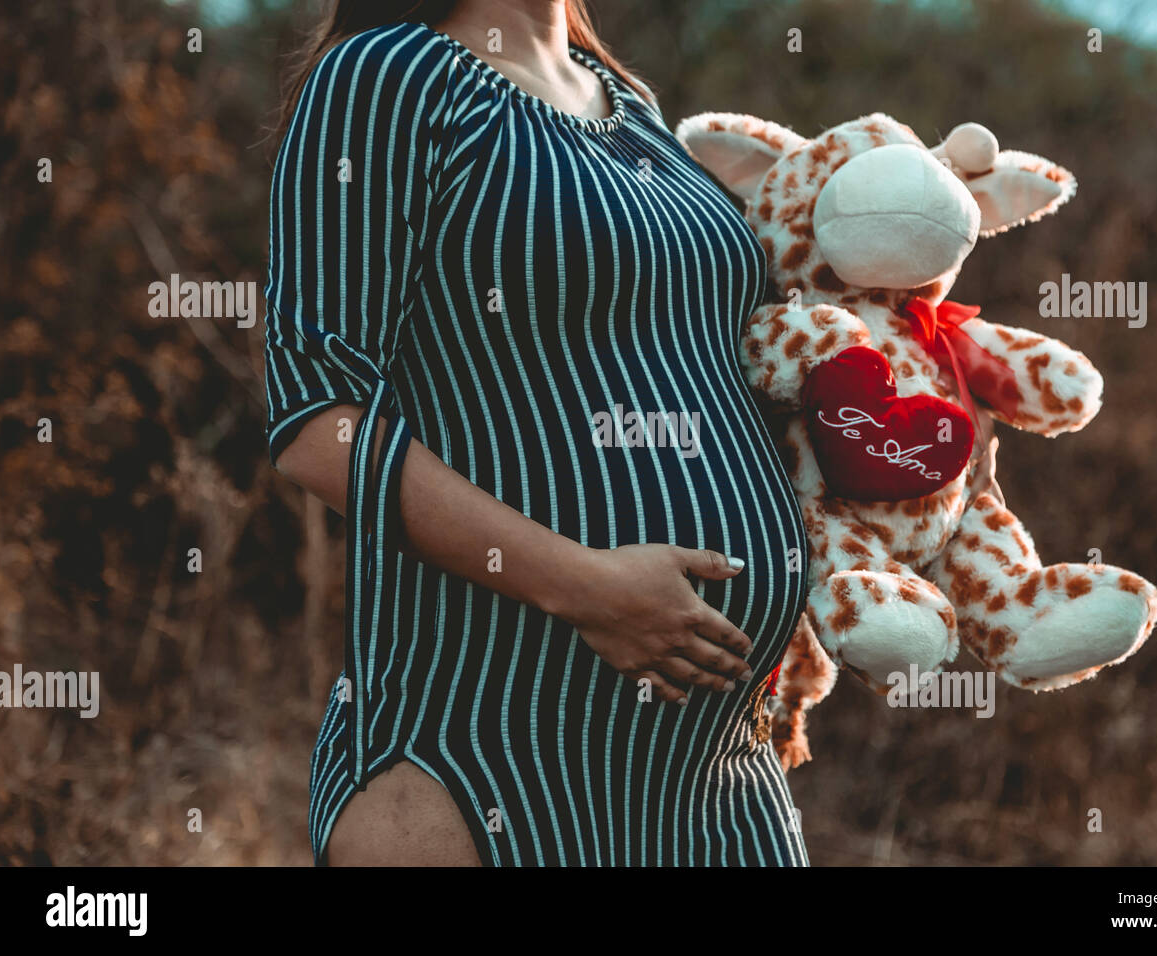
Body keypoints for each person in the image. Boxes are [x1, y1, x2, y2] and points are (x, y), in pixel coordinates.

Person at [264, 0, 817, 866]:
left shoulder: (629, 102)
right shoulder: (389, 77)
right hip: (485, 757)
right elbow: (315, 420)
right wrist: (586, 586)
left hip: (715, 776)